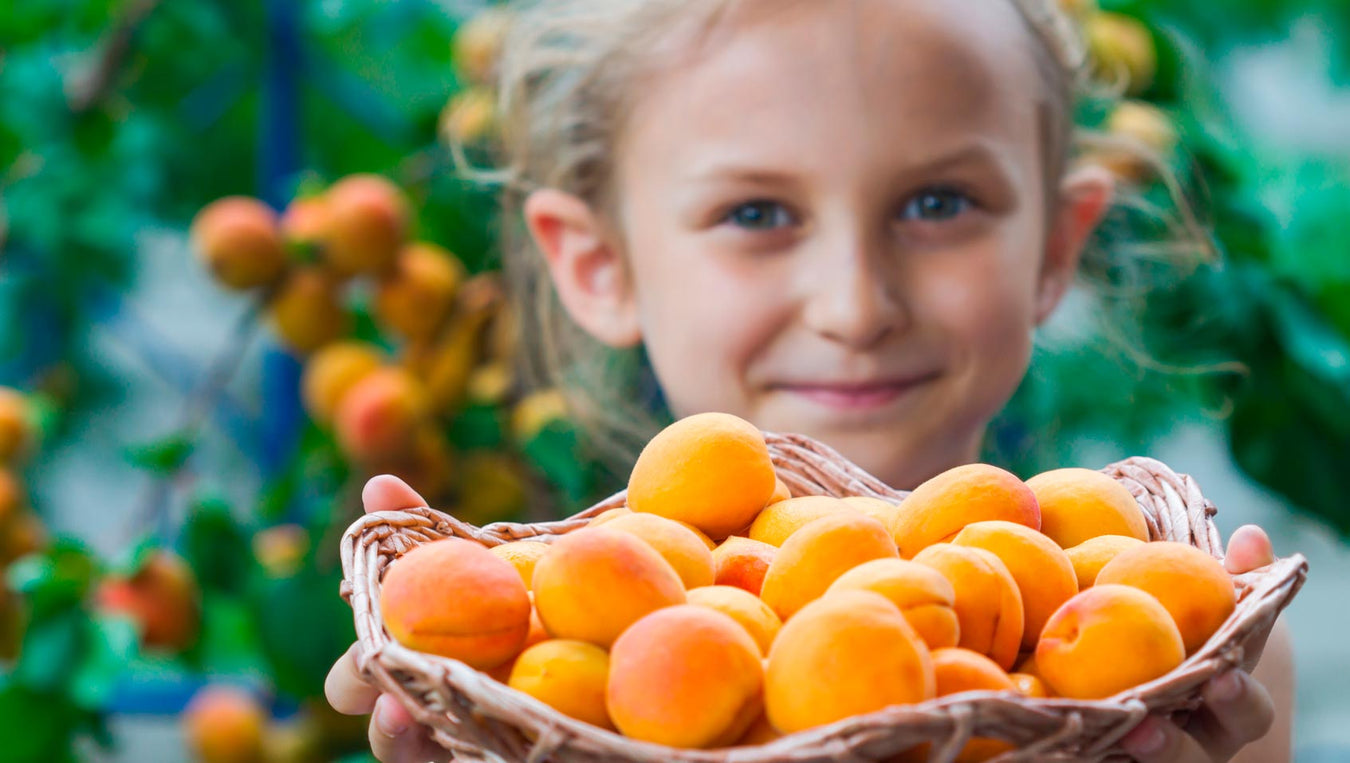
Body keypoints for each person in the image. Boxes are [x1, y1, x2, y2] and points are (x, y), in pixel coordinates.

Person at [327, 0, 1295, 760]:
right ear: (597, 265)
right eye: (756, 213)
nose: (854, 304)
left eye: (937, 201)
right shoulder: (543, 655)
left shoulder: (1192, 667)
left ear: (1057, 246)